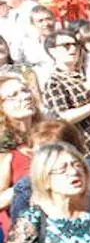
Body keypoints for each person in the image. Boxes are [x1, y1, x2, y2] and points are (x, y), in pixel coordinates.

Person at [40, 28, 90, 153]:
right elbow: (62, 118)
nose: (73, 49)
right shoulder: (54, 82)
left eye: (76, 44)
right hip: (87, 144)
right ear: (52, 51)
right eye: (66, 45)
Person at [0, 70, 39, 234]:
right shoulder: (4, 150)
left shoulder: (48, 134)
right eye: (13, 95)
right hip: (23, 230)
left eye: (25, 90)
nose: (24, 97)